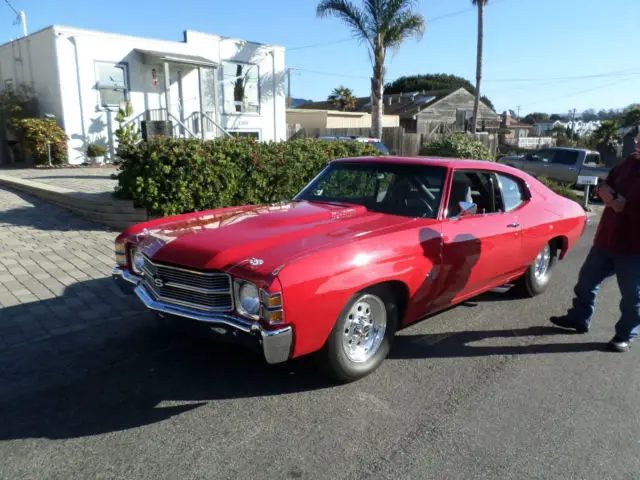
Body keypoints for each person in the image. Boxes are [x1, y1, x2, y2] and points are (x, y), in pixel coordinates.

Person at [550, 133, 640, 352]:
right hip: (606, 239)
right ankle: (579, 318)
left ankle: (624, 335)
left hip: (633, 247)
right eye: (638, 137)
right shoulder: (628, 162)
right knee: (586, 282)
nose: (637, 141)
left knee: (631, 296)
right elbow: (608, 182)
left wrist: (625, 207)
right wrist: (603, 189)